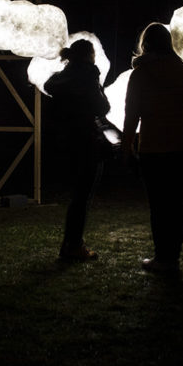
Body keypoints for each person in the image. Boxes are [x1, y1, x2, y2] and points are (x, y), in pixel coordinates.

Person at [122, 23, 183, 273]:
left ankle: (162, 257)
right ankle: (174, 258)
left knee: (158, 205)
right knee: (176, 203)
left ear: (144, 44)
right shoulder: (182, 71)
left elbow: (131, 114)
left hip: (152, 148)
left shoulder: (140, 74)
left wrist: (127, 146)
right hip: (180, 147)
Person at [44, 39, 111, 261]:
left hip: (67, 141)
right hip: (87, 141)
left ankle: (70, 244)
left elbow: (50, 88)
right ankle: (73, 246)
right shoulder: (88, 74)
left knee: (77, 196)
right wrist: (97, 86)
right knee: (83, 197)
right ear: (90, 55)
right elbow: (102, 107)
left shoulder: (60, 78)